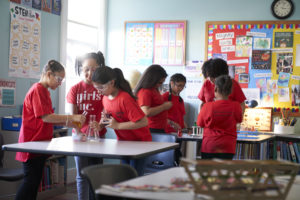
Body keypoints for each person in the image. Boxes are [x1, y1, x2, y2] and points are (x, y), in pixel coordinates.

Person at [15, 60, 85, 200]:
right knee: (30, 183)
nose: (60, 83)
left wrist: (72, 123)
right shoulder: (38, 89)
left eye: (62, 81)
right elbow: (46, 117)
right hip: (31, 144)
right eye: (59, 79)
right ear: (48, 74)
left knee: (34, 184)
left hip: (39, 144)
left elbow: (49, 118)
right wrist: (72, 116)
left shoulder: (45, 91)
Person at [91, 66, 151, 176]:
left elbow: (144, 122)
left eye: (101, 88)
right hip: (124, 143)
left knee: (135, 178)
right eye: (97, 88)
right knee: (126, 176)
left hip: (140, 143)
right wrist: (100, 126)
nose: (99, 92)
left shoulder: (125, 98)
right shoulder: (105, 98)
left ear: (112, 83)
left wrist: (118, 126)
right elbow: (107, 117)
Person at [66, 51, 106, 200]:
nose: (90, 73)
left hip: (98, 137)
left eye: (94, 69)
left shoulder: (103, 89)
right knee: (82, 175)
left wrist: (100, 126)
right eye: (86, 69)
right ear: (81, 69)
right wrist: (78, 131)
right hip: (80, 138)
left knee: (97, 174)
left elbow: (106, 113)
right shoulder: (75, 89)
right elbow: (72, 117)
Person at [197, 75, 243, 160]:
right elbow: (239, 120)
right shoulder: (236, 106)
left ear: (215, 89)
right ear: (230, 91)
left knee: (208, 172)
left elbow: (199, 124)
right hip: (228, 146)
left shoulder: (207, 106)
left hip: (210, 145)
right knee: (224, 172)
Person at [134, 64, 173, 133]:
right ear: (152, 80)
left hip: (159, 127)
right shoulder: (145, 91)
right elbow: (146, 112)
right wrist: (164, 106)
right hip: (151, 128)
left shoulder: (154, 89)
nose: (160, 85)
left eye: (162, 82)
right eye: (159, 82)